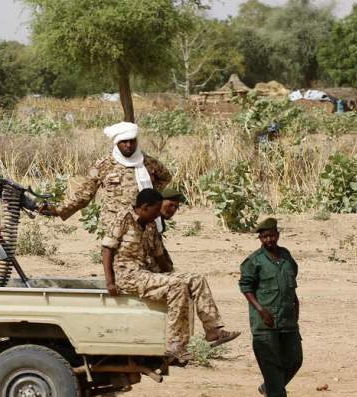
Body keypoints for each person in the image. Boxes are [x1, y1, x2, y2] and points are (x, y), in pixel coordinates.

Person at [102, 189, 239, 363]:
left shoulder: (151, 224)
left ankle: (213, 330)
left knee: (196, 279)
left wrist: (175, 275)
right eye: (156, 208)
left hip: (147, 273)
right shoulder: (124, 218)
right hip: (129, 275)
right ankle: (176, 344)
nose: (159, 212)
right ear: (144, 207)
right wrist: (110, 282)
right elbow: (107, 248)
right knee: (176, 285)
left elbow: (160, 256)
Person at [39, 121, 172, 234]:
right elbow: (85, 194)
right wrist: (59, 209)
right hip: (114, 226)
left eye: (132, 141)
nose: (129, 145)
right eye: (124, 141)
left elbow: (165, 177)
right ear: (116, 143)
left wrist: (151, 196)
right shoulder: (104, 165)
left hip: (145, 223)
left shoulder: (148, 162)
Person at [239, 218, 302, 397]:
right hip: (265, 322)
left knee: (295, 359)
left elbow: (291, 282)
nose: (269, 239)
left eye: (272, 235)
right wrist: (261, 310)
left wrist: (296, 306)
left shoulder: (286, 256)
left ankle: (269, 386)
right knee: (271, 362)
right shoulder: (254, 261)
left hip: (287, 318)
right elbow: (246, 287)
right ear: (259, 238)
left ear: (278, 234)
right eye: (265, 236)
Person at [148, 187, 187, 273]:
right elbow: (158, 255)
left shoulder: (158, 222)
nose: (173, 210)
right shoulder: (150, 221)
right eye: (170, 205)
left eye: (176, 207)